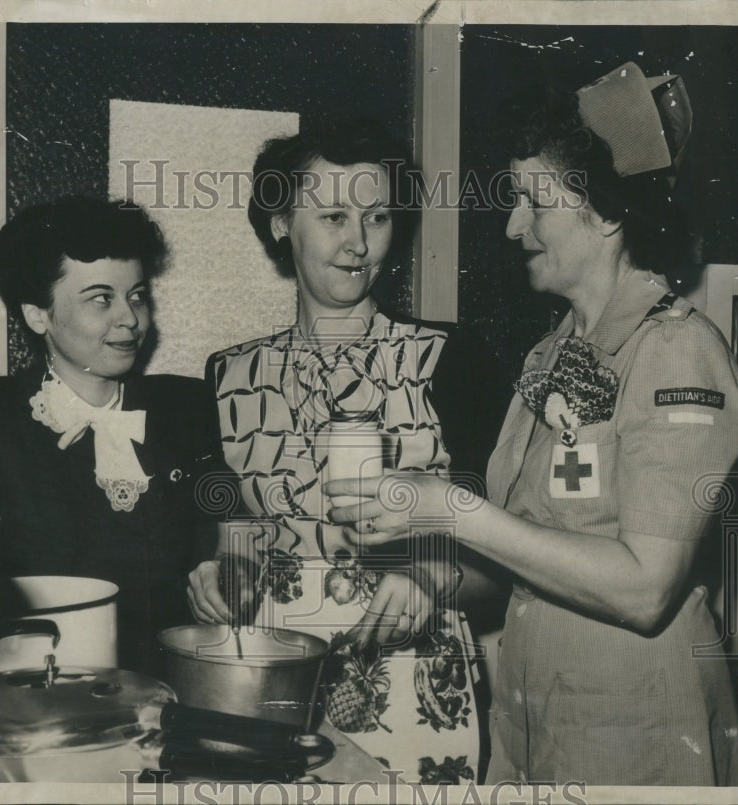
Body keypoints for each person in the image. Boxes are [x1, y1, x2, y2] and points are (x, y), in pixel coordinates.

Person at [327, 63, 738, 786]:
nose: (512, 225)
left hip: (633, 741)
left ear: (608, 211)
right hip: (534, 730)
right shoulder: (551, 354)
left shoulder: (675, 347)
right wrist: (431, 575)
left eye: (532, 201)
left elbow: (644, 586)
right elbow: (529, 546)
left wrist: (454, 510)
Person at [187, 118, 511, 783]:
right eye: (333, 215)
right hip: (275, 690)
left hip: (419, 688)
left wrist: (427, 574)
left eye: (377, 217)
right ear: (282, 223)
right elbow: (239, 539)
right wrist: (218, 576)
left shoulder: (450, 362)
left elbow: (506, 564)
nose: (358, 243)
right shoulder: (228, 375)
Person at [0, 196, 214, 675]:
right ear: (38, 315)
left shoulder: (186, 410)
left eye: (136, 295)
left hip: (169, 694)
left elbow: (221, 517)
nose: (129, 318)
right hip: (35, 698)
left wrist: (224, 563)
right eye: (101, 299)